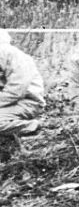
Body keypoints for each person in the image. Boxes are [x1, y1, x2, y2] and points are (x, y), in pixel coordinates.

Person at [0, 29, 43, 159]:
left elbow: (17, 90)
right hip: (7, 103)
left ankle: (31, 126)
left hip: (27, 102)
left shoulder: (11, 55)